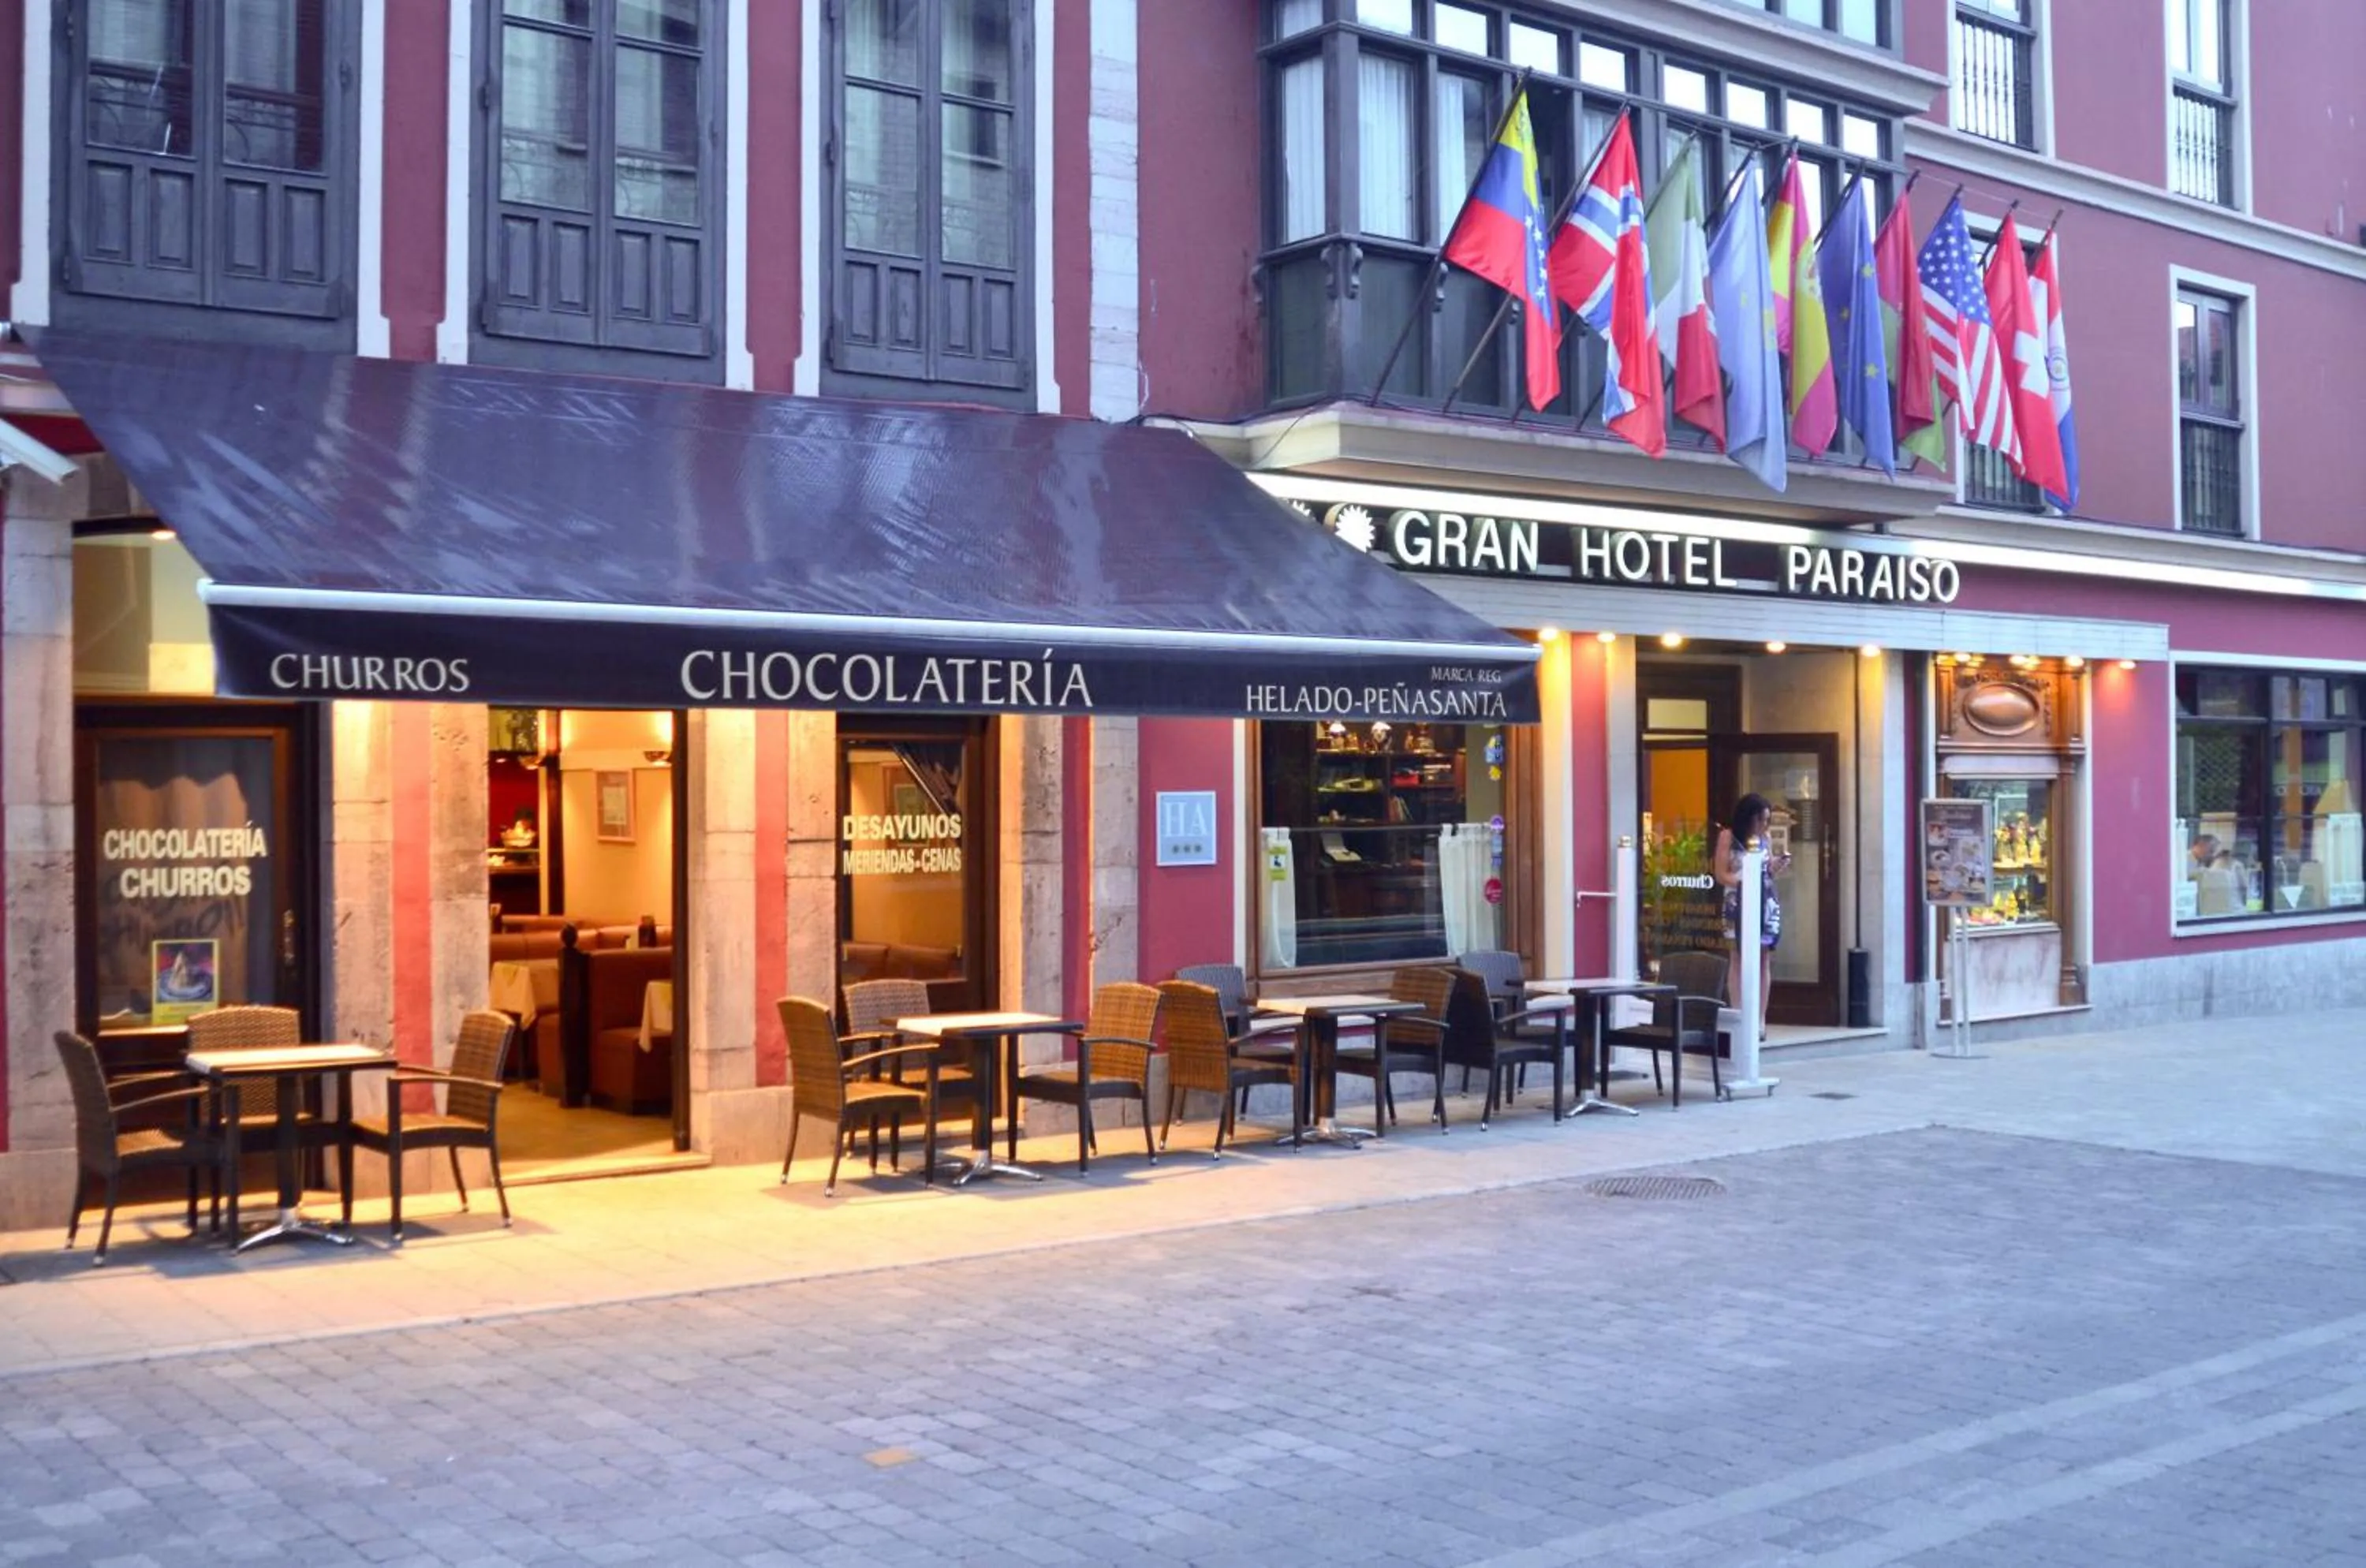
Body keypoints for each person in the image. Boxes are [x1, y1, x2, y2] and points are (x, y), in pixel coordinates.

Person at [1715, 793, 1789, 1029]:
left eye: (1767, 820)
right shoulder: (1728, 837)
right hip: (1736, 900)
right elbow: (1720, 874)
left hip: (1763, 899)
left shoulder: (1765, 838)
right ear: (1749, 818)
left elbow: (1766, 870)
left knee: (1764, 956)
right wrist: (1743, 881)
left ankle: (1759, 1019)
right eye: (1761, 820)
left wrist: (1775, 866)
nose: (1765, 825)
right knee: (1736, 956)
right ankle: (1739, 1014)